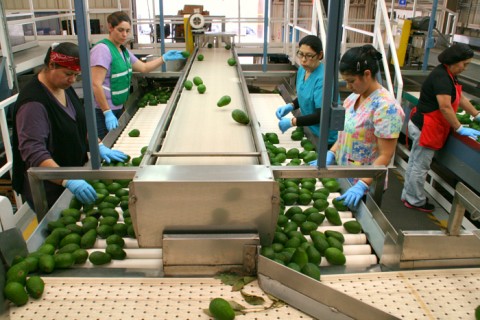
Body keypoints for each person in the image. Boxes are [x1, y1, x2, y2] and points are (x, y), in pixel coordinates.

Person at [11, 42, 127, 213]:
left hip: (71, 173)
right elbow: (33, 152)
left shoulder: (63, 86)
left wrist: (98, 145)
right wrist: (67, 180)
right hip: (49, 187)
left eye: (76, 75)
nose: (72, 80)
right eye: (68, 74)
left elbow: (79, 123)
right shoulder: (33, 103)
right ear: (51, 65)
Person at [312, 45, 405, 208]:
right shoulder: (354, 98)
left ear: (367, 74)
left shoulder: (386, 108)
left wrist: (362, 184)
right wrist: (332, 152)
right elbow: (345, 133)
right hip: (343, 175)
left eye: (351, 81)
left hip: (363, 186)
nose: (348, 87)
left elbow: (385, 155)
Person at [401, 43, 480, 212]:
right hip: (427, 128)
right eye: (464, 64)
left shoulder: (448, 74)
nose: (465, 68)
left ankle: (408, 195)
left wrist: (476, 114)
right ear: (455, 61)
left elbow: (460, 98)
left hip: (424, 125)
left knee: (415, 162)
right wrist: (459, 128)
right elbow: (445, 107)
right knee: (420, 166)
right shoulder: (442, 78)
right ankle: (414, 200)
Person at [91, 11, 185, 139]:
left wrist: (164, 58)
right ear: (110, 27)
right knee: (104, 147)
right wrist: (107, 112)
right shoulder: (102, 49)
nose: (124, 34)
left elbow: (144, 68)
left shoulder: (122, 50)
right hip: (103, 111)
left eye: (127, 31)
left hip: (118, 107)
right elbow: (96, 84)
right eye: (120, 30)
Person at [275, 35, 338, 148]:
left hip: (324, 137)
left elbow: (321, 115)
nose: (303, 60)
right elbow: (306, 95)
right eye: (301, 54)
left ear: (320, 55)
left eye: (309, 56)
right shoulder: (302, 69)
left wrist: (292, 122)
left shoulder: (324, 78)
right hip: (309, 129)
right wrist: (292, 105)